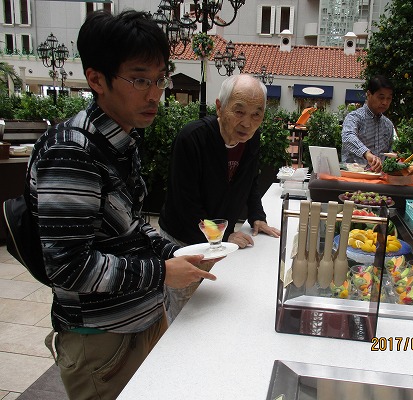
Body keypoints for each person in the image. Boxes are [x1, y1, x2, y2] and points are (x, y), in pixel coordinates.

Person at [28, 10, 219, 399]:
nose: (154, 94)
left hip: (143, 322)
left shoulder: (118, 141)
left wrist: (177, 253)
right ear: (96, 79)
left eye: (160, 79)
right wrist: (161, 272)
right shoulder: (71, 152)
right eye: (139, 80)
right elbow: (69, 267)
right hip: (103, 343)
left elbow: (132, 226)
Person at [159, 74, 281, 321]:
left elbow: (251, 180)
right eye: (239, 111)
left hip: (217, 240)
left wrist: (257, 216)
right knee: (186, 318)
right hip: (184, 241)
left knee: (215, 313)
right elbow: (186, 205)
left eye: (256, 114)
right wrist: (225, 237)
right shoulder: (192, 138)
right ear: (219, 107)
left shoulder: (251, 139)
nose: (247, 123)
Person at [341, 75, 395, 172]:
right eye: (381, 97)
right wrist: (366, 153)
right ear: (369, 94)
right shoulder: (354, 117)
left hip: (378, 177)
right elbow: (348, 137)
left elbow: (390, 153)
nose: (385, 102)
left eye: (389, 98)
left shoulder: (388, 125)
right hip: (354, 176)